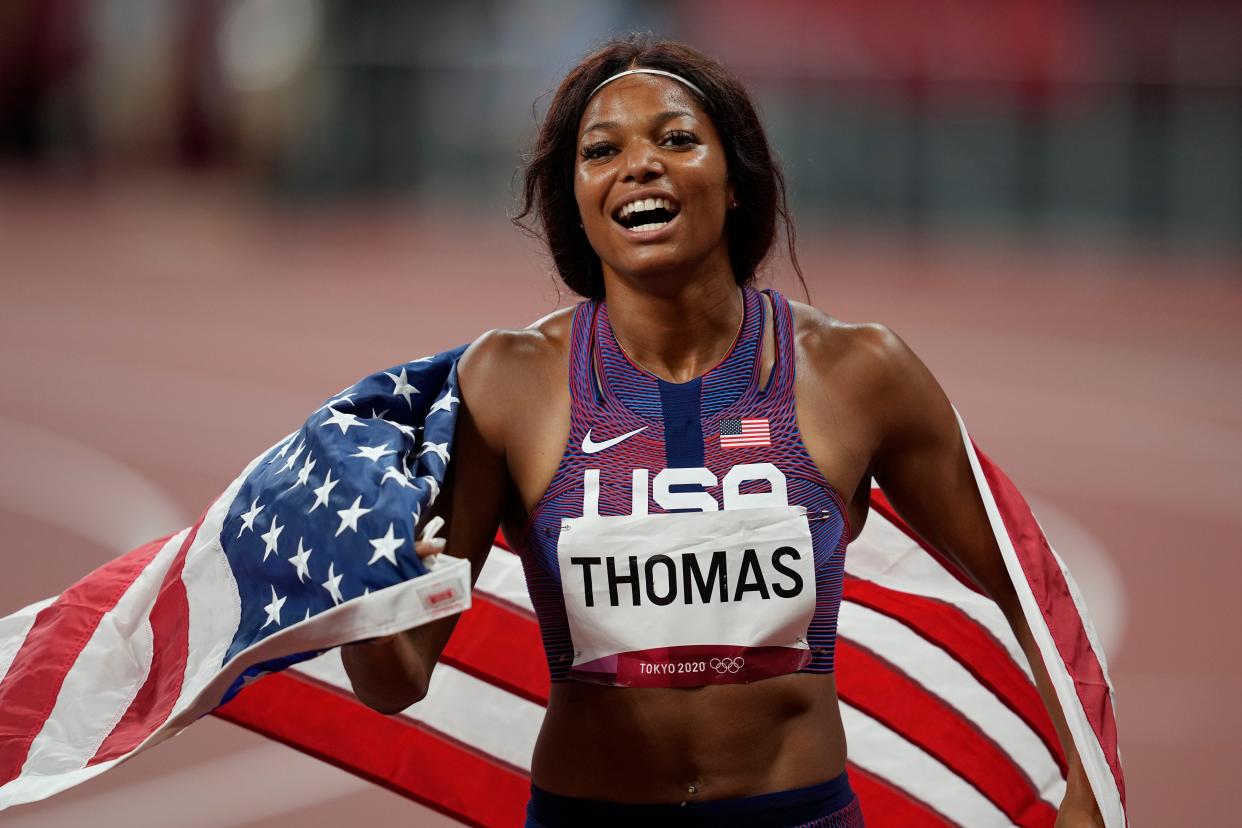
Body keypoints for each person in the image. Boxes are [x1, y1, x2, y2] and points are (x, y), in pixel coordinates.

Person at [340, 35, 1105, 827]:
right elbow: (394, 683)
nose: (640, 164)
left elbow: (1030, 587)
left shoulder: (858, 372)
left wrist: (1085, 791)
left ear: (735, 180)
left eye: (675, 138)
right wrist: (367, 592)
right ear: (575, 196)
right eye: (602, 150)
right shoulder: (507, 383)